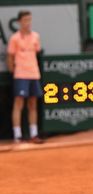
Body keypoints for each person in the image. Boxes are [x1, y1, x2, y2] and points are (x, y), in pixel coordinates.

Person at [7, 10, 43, 144]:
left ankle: (34, 134)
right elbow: (10, 57)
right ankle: (17, 135)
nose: (28, 23)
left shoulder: (36, 37)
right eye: (25, 20)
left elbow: (37, 53)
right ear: (19, 22)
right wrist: (14, 72)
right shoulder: (14, 38)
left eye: (29, 20)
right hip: (20, 74)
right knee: (18, 104)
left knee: (33, 104)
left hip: (34, 74)